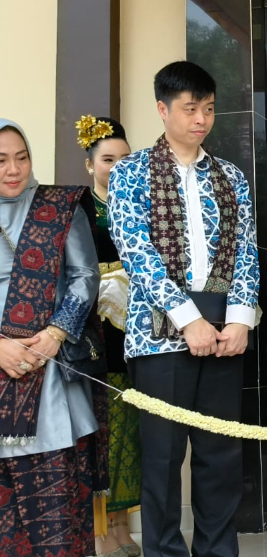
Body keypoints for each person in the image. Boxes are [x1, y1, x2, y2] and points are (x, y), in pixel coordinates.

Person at [107, 61, 260, 557]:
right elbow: (135, 250)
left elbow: (245, 251)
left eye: (209, 109)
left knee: (220, 452)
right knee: (163, 456)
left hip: (224, 326)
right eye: (190, 108)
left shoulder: (231, 176)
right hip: (158, 330)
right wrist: (187, 319)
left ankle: (218, 552)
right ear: (163, 109)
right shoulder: (129, 173)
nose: (201, 119)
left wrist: (239, 320)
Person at [0, 119, 104, 556]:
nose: (14, 169)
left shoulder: (58, 206)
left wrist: (56, 333)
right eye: (2, 160)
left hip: (51, 373)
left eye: (22, 158)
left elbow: (84, 275)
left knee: (60, 505)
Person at [77, 115, 143, 557]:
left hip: (134, 329)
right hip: (95, 329)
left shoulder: (137, 204)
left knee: (130, 430)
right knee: (102, 430)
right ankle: (100, 532)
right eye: (107, 159)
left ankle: (122, 525)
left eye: (124, 158)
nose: (116, 167)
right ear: (89, 164)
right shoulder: (77, 208)